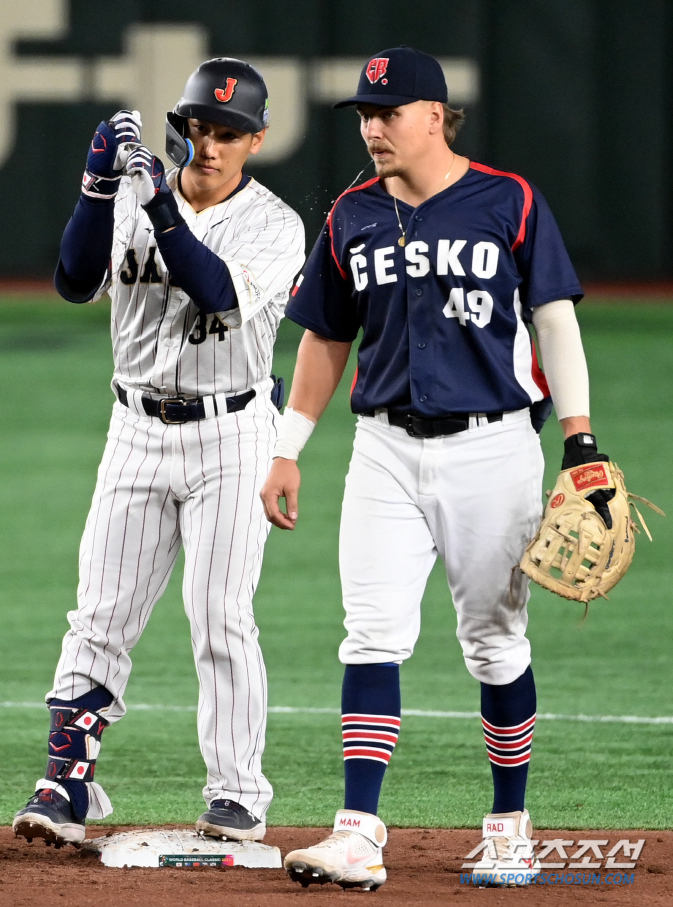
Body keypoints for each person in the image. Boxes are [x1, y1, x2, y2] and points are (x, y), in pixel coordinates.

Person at [261, 46, 613, 889]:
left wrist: (582, 442)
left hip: (493, 449)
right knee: (371, 632)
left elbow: (555, 320)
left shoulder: (509, 200)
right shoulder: (351, 214)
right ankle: (357, 829)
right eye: (364, 115)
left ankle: (509, 824)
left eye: (387, 112)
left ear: (435, 116)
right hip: (382, 449)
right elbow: (324, 338)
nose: (373, 128)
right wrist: (286, 447)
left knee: (494, 642)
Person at [13, 57, 305, 849]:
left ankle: (238, 792)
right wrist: (95, 188)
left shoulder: (276, 226)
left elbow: (213, 289)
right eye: (198, 129)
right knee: (100, 613)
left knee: (219, 616)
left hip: (233, 431)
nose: (209, 146)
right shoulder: (138, 197)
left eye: (228, 133)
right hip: (135, 428)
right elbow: (75, 281)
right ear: (183, 129)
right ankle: (67, 781)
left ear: (256, 140)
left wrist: (152, 203)